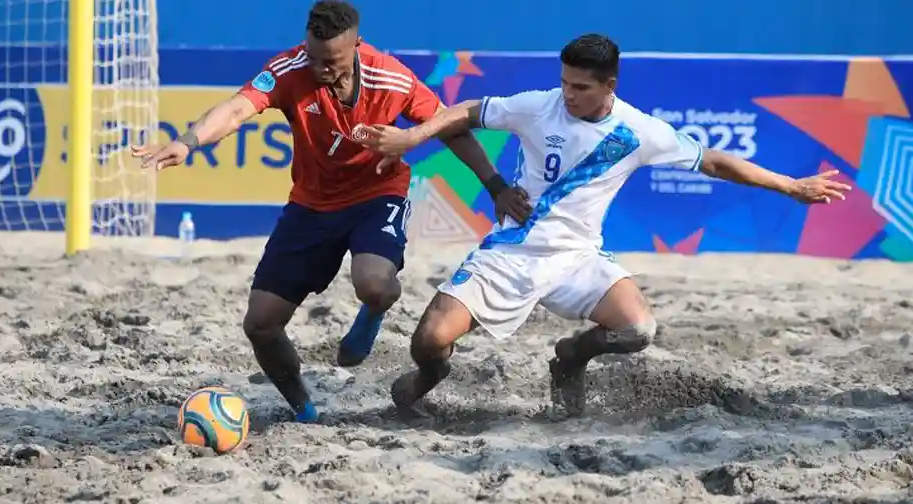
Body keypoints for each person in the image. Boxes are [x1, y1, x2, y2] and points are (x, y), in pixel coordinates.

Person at [352, 33, 852, 416]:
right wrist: (423, 143)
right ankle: (426, 381)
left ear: (609, 85)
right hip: (512, 249)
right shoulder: (538, 105)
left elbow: (716, 163)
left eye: (580, 87)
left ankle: (570, 356)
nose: (567, 93)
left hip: (577, 258)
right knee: (429, 343)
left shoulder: (638, 131)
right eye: (565, 81)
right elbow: (464, 109)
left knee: (639, 330)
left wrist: (790, 186)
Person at [131, 0, 531, 423]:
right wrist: (186, 143)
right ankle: (304, 409)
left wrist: (496, 186)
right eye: (314, 56)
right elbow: (235, 110)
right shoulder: (289, 70)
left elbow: (450, 127)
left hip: (377, 196)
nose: (321, 67)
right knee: (260, 325)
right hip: (311, 205)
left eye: (332, 60)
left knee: (375, 285)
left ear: (357, 45)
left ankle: (373, 313)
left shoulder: (390, 77)